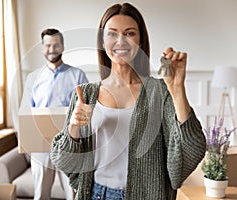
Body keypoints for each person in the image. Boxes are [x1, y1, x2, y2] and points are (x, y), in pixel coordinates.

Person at [50, 3, 206, 200]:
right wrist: (74, 127)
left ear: (140, 40)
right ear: (102, 41)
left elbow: (193, 148)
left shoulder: (160, 91)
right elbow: (64, 160)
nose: (120, 41)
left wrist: (177, 89)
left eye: (130, 33)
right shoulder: (85, 94)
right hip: (96, 194)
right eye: (112, 34)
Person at [22, 28, 88, 200]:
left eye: (56, 45)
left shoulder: (77, 75)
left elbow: (87, 110)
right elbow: (26, 113)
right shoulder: (33, 77)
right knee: (40, 196)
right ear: (42, 47)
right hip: (41, 148)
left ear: (63, 47)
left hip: (70, 146)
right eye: (48, 45)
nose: (52, 49)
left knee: (73, 195)